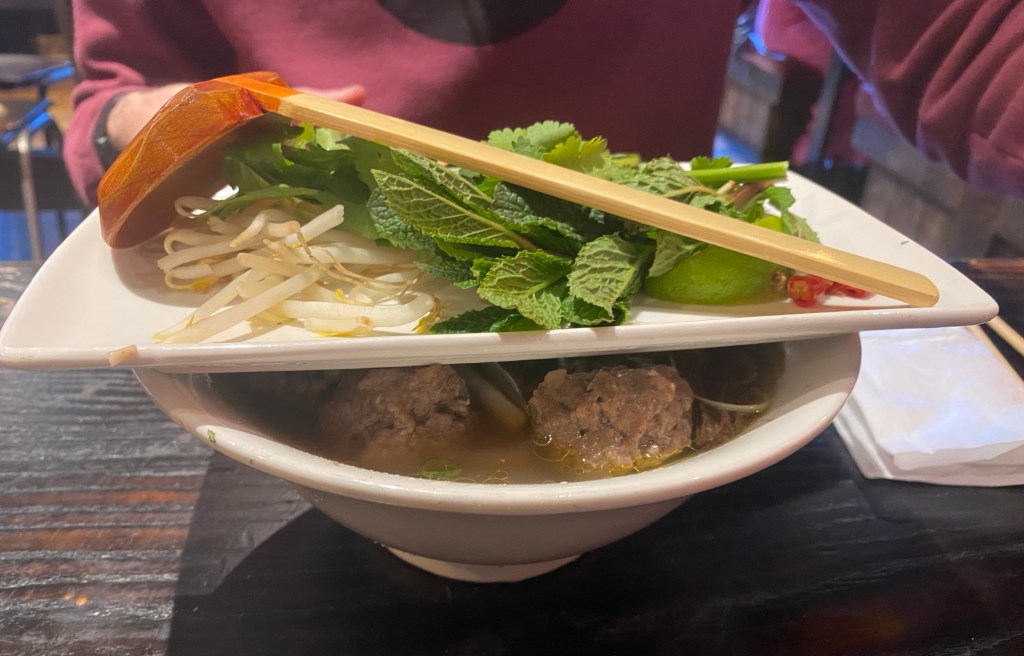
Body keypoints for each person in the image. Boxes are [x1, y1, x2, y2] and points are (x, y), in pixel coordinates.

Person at [65, 0, 1024, 206]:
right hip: (279, 311)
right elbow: (108, 97)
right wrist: (146, 122)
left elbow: (974, 52)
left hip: (645, 309)